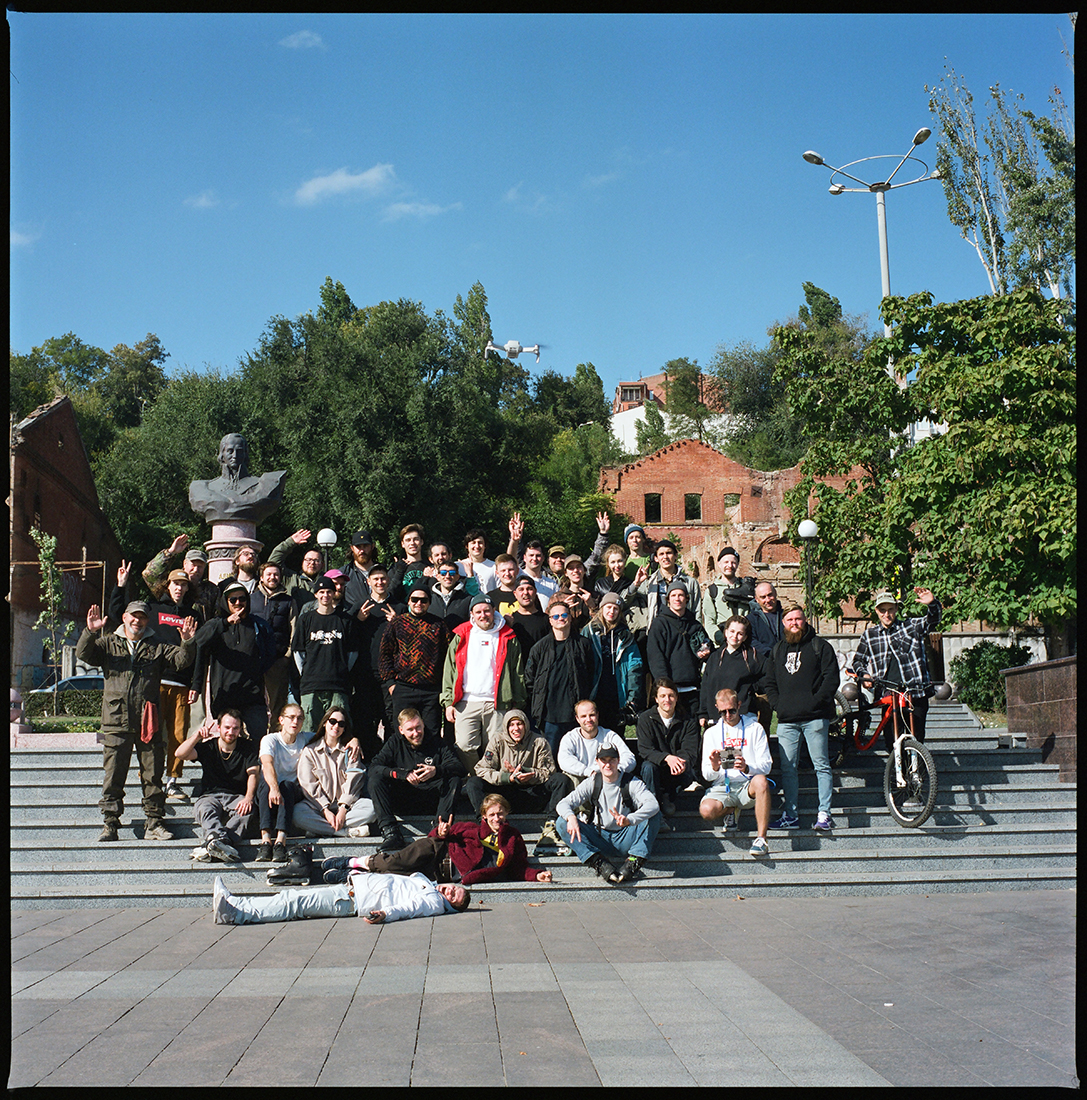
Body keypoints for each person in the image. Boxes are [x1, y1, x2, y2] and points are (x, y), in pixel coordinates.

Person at [76, 600, 197, 843]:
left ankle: (154, 823)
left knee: (153, 775)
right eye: (133, 616)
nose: (137, 621)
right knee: (113, 775)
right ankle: (110, 824)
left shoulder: (157, 645)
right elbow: (84, 654)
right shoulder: (108, 642)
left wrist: (186, 641)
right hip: (116, 719)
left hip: (148, 720)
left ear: (147, 620)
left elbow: (182, 661)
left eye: (142, 617)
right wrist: (90, 632)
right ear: (124, 617)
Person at [108, 560, 205, 804]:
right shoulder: (152, 608)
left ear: (188, 588)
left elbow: (199, 652)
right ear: (167, 585)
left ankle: (172, 780)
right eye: (175, 584)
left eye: (183, 585)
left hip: (181, 684)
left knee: (178, 734)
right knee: (151, 732)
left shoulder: (193, 615)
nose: (179, 588)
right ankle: (150, 777)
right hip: (153, 682)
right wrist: (120, 586)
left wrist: (196, 684)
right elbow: (118, 614)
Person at [322, 794, 552, 886]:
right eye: (491, 814)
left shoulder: (513, 838)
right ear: (484, 816)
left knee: (396, 877)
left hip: (443, 875)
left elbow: (518, 867)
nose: (496, 818)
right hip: (436, 851)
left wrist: (536, 875)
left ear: (507, 814)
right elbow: (435, 835)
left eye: (500, 813)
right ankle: (352, 861)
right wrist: (441, 832)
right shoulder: (470, 828)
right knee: (395, 862)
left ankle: (352, 876)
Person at [762, 605, 840, 831]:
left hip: (815, 718)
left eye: (798, 619)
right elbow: (769, 682)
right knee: (788, 769)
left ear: (805, 621)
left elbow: (831, 679)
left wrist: (816, 702)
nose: (794, 623)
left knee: (821, 766)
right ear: (783, 623)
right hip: (787, 721)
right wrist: (778, 705)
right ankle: (790, 815)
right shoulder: (777, 650)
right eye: (789, 620)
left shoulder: (820, 646)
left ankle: (824, 814)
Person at [441, 595, 527, 769]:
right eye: (478, 612)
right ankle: (477, 776)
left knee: (495, 748)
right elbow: (449, 670)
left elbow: (517, 673)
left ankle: (490, 779)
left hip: (498, 703)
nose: (483, 615)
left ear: (494, 611)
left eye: (487, 611)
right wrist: (448, 702)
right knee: (464, 745)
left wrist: (517, 703)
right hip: (466, 702)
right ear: (472, 614)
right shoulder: (461, 634)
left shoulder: (507, 636)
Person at [555, 743, 661, 885]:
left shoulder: (632, 782)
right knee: (561, 823)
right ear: (597, 762)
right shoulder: (592, 782)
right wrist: (571, 817)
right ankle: (598, 863)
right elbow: (562, 804)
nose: (608, 765)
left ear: (618, 761)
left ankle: (633, 861)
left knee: (655, 815)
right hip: (600, 836)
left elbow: (653, 804)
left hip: (626, 835)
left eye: (612, 760)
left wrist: (630, 819)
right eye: (603, 760)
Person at [851, 587, 942, 748]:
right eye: (882, 610)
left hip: (915, 692)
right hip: (889, 695)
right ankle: (897, 763)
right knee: (891, 741)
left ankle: (916, 764)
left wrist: (932, 604)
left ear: (896, 609)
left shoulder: (910, 626)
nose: (887, 614)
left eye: (890, 609)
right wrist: (864, 675)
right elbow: (858, 661)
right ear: (876, 611)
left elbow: (932, 620)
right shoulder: (870, 635)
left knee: (916, 738)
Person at [368, 708, 467, 851]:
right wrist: (401, 774)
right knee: (376, 780)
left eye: (418, 727)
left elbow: (459, 767)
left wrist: (436, 770)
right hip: (403, 797)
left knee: (454, 779)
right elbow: (374, 767)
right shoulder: (394, 742)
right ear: (401, 730)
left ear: (423, 724)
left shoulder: (437, 741)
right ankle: (390, 833)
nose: (416, 733)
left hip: (432, 798)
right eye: (410, 730)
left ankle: (440, 829)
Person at [213, 871, 470, 926]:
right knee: (292, 899)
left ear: (451, 906)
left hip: (350, 901)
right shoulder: (428, 885)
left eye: (453, 897)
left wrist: (385, 915)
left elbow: (408, 908)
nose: (449, 891)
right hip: (350, 891)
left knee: (293, 903)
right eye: (453, 888)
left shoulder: (433, 902)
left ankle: (235, 912)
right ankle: (236, 906)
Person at [191, 581, 276, 740]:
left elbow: (271, 652)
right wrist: (226, 622)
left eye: (242, 599)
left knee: (258, 739)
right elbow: (199, 641)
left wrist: (256, 669)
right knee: (228, 740)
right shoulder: (216, 624)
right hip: (225, 696)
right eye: (233, 599)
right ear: (226, 602)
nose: (238, 603)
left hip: (252, 696)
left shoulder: (258, 624)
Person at [177, 709, 260, 862]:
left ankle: (214, 842)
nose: (231, 732)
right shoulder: (209, 746)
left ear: (240, 729)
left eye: (235, 728)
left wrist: (248, 798)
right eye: (227, 727)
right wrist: (196, 737)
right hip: (210, 796)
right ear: (219, 727)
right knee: (205, 809)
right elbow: (180, 754)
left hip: (235, 796)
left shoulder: (247, 747)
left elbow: (253, 774)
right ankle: (222, 842)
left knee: (248, 810)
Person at [699, 688, 773, 857]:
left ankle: (761, 838)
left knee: (761, 781)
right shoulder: (711, 733)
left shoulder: (755, 728)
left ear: (739, 705)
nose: (728, 715)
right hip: (723, 785)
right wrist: (715, 766)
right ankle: (731, 810)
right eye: (723, 712)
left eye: (732, 710)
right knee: (706, 810)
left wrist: (747, 767)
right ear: (717, 708)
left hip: (748, 784)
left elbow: (767, 765)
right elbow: (706, 775)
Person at [524, 595, 597, 753]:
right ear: (550, 620)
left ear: (570, 617)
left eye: (564, 615)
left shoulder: (583, 644)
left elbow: (592, 673)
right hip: (549, 715)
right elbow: (530, 679)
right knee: (550, 755)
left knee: (578, 753)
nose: (560, 619)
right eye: (556, 616)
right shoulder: (539, 648)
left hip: (576, 714)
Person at [467, 708, 567, 820]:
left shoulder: (539, 741)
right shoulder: (497, 740)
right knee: (473, 782)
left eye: (519, 724)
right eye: (511, 725)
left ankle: (552, 820)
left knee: (561, 779)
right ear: (506, 727)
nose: (516, 728)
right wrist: (507, 777)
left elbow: (549, 771)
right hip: (504, 794)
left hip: (533, 792)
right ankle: (484, 821)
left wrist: (528, 773)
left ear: (526, 725)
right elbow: (482, 769)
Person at [380, 582, 451, 737]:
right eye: (414, 599)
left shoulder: (439, 625)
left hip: (431, 690)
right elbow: (385, 654)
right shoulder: (397, 623)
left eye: (423, 600)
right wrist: (391, 683)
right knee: (402, 733)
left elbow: (448, 657)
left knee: (431, 733)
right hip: (403, 688)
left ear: (429, 603)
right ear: (408, 601)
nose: (419, 603)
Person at [294, 706, 377, 838]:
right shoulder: (310, 751)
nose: (336, 726)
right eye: (332, 721)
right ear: (325, 723)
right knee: (297, 813)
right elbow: (308, 785)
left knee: (372, 808)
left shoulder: (351, 750)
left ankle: (320, 829)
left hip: (348, 807)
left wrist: (343, 809)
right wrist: (325, 810)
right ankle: (344, 832)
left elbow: (354, 782)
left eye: (341, 724)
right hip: (317, 807)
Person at [292, 576, 360, 733]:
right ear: (316, 594)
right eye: (321, 592)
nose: (325, 595)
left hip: (338, 685)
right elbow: (298, 652)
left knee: (338, 731)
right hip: (311, 685)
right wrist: (306, 672)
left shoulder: (346, 620)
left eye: (329, 592)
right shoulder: (306, 619)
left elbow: (352, 653)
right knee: (309, 732)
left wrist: (341, 669)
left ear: (334, 593)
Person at [255, 702, 314, 862]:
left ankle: (280, 841)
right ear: (281, 720)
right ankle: (266, 841)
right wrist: (274, 789)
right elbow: (267, 764)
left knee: (286, 785)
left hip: (291, 793)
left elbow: (330, 734)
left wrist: (353, 740)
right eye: (291, 717)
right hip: (268, 794)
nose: (295, 722)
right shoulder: (270, 739)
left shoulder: (305, 738)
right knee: (267, 784)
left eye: (300, 718)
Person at [188, 432, 286, 527]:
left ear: (245, 454)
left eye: (239, 451)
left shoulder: (263, 484)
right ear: (222, 454)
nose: (235, 456)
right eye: (230, 451)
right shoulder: (203, 487)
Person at [635, 678, 701, 817]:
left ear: (676, 697)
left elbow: (690, 750)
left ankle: (668, 797)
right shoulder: (646, 719)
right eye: (663, 696)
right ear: (656, 699)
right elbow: (645, 749)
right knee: (648, 767)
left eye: (671, 695)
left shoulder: (688, 721)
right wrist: (666, 758)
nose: (667, 700)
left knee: (687, 768)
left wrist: (678, 762)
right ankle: (654, 810)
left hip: (677, 770)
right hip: (655, 769)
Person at [584, 593, 644, 739]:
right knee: (593, 736)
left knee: (616, 738)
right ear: (602, 608)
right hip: (595, 693)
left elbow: (634, 666)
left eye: (616, 608)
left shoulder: (625, 635)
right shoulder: (589, 631)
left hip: (617, 694)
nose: (612, 611)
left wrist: (632, 697)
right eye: (608, 607)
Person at [646, 581, 712, 711]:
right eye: (673, 595)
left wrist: (706, 652)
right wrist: (664, 685)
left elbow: (707, 646)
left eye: (681, 595)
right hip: (669, 690)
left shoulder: (695, 625)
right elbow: (655, 657)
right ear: (668, 599)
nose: (677, 599)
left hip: (692, 687)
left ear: (687, 599)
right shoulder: (659, 624)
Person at [697, 615, 764, 728]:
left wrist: (752, 689)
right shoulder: (715, 657)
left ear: (745, 637)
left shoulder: (752, 657)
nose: (735, 636)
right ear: (725, 632)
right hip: (717, 716)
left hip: (743, 716)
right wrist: (703, 713)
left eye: (740, 633)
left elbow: (767, 675)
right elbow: (706, 686)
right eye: (732, 631)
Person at [249, 560, 294, 724]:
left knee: (277, 703)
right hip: (254, 659)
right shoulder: (250, 599)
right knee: (252, 701)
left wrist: (288, 655)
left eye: (276, 574)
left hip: (278, 659)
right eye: (268, 574)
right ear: (261, 577)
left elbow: (294, 628)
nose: (272, 577)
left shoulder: (288, 601)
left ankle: (275, 733)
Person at [142, 533, 218, 621]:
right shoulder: (171, 582)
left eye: (200, 566)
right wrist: (170, 552)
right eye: (193, 565)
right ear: (185, 564)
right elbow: (149, 574)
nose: (196, 569)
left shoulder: (211, 590)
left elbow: (216, 617)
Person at [557, 698, 636, 782]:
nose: (588, 720)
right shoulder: (570, 738)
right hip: (581, 777)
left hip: (607, 777)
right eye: (583, 716)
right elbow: (564, 760)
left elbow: (629, 758)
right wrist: (588, 772)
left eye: (592, 715)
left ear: (597, 715)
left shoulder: (610, 735)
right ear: (577, 718)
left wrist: (615, 769)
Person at [628, 540, 701, 629]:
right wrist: (636, 584)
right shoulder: (649, 582)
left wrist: (697, 631)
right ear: (656, 558)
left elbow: (697, 611)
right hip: (658, 631)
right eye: (661, 554)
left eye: (669, 553)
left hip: (684, 630)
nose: (665, 557)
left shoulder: (690, 582)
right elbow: (624, 602)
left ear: (676, 556)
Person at [701, 546, 757, 645]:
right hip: (721, 643)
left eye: (733, 562)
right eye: (726, 562)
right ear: (719, 564)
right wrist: (720, 638)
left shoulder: (746, 588)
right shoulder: (712, 590)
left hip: (745, 640)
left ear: (738, 564)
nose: (730, 565)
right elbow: (709, 621)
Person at [268, 528, 325, 615]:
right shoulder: (290, 578)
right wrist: (290, 542)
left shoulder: (327, 581)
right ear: (302, 562)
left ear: (322, 564)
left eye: (316, 560)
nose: (312, 563)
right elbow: (273, 562)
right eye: (308, 559)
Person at [387, 523, 430, 603]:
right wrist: (399, 572)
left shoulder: (429, 567)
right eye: (408, 540)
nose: (412, 543)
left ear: (421, 542)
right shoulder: (395, 568)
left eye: (416, 539)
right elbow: (389, 593)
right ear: (402, 544)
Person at [427, 559, 472, 627]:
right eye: (443, 573)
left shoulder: (467, 599)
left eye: (452, 573)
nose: (447, 576)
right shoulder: (429, 598)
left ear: (457, 577)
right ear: (437, 577)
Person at [747, 581, 785, 659]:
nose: (767, 600)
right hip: (764, 660)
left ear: (775, 593)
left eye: (770, 595)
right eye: (763, 597)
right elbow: (751, 641)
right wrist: (770, 653)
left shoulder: (787, 616)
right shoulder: (751, 619)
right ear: (757, 599)